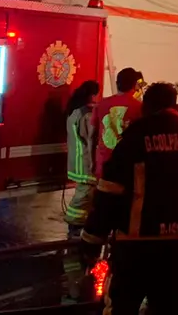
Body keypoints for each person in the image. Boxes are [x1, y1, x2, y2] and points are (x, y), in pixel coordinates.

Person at [80, 82, 178, 315]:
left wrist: (91, 242)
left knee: (122, 307)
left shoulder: (134, 140)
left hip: (138, 247)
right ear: (174, 106)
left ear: (147, 106)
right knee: (173, 309)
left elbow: (108, 194)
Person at [90, 67, 144, 179]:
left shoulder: (101, 104)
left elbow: (92, 134)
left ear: (117, 83)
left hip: (103, 162)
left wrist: (92, 161)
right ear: (135, 85)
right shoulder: (139, 107)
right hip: (127, 165)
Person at [65, 80, 101, 237]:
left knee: (84, 193)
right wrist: (94, 162)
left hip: (77, 160)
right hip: (85, 162)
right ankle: (74, 223)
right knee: (84, 194)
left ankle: (77, 222)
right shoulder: (86, 114)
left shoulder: (75, 112)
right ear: (92, 95)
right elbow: (90, 139)